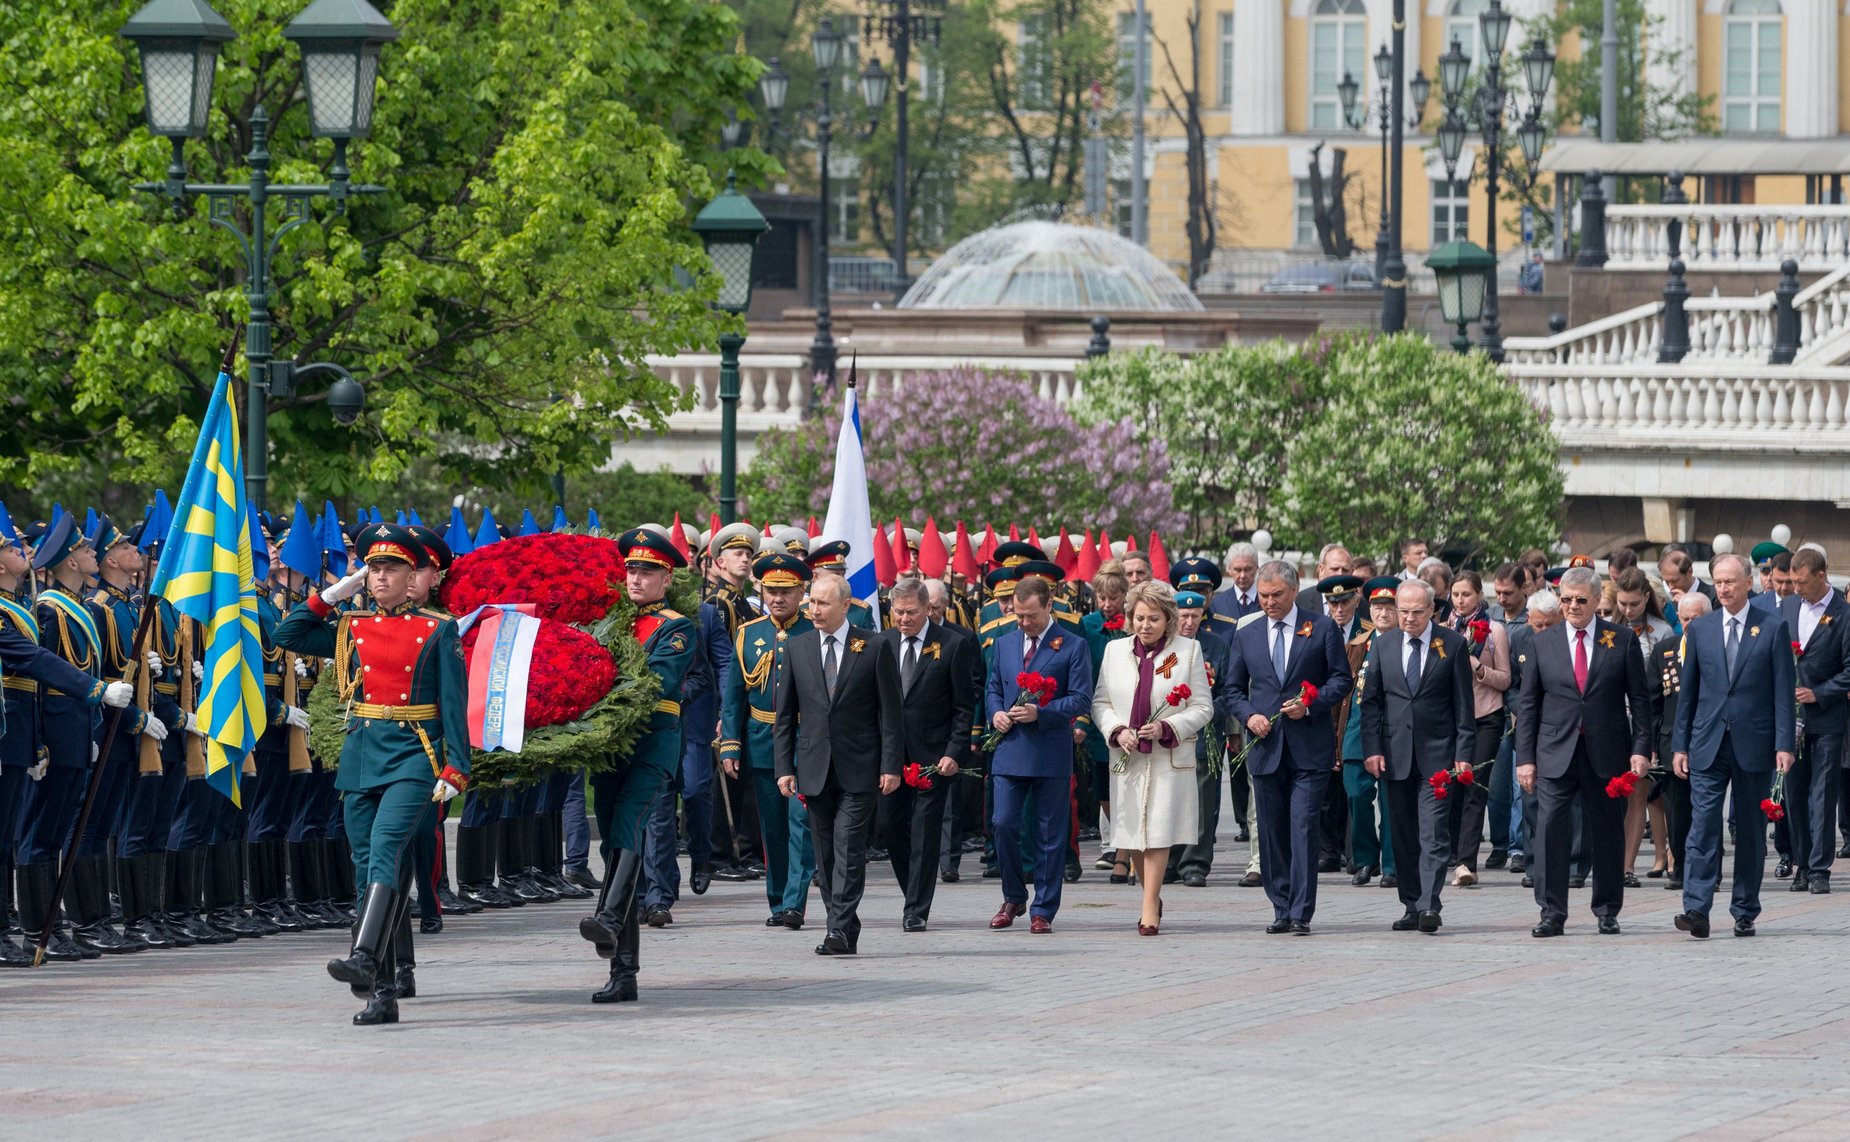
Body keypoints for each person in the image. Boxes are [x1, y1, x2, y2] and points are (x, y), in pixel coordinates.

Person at [275, 523, 470, 1025]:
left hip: (413, 754)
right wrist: (337, 592)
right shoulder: (352, 625)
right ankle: (381, 992)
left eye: (391, 569)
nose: (380, 577)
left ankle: (364, 955)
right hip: (362, 755)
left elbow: (454, 706)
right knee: (366, 867)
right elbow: (286, 634)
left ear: (413, 577)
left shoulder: (438, 627)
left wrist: (456, 767)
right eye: (374, 568)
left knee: (386, 847)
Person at [0, 510, 143, 966]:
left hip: (44, 730)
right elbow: (39, 664)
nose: (22, 551)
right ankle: (28, 927)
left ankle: (45, 927)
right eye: (11, 547)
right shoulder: (36, 610)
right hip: (27, 730)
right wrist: (97, 690)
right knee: (27, 837)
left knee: (40, 833)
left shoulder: (24, 608)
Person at [575, 527, 695, 1002]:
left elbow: (658, 684)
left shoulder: (676, 627)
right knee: (612, 846)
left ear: (666, 579)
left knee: (627, 827)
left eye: (648, 571)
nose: (637, 578)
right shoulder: (610, 623)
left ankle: (607, 916)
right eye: (632, 569)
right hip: (610, 749)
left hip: (651, 745)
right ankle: (623, 972)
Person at [1515, 566, 1651, 938]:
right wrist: (1524, 758)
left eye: (1580, 600)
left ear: (1595, 601)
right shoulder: (1543, 641)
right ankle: (1552, 911)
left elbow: (1640, 701)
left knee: (1607, 833)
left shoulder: (1621, 639)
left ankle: (1607, 909)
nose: (1572, 606)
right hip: (1554, 752)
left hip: (1606, 752)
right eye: (1566, 600)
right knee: (1550, 831)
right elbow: (1528, 706)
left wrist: (1641, 749)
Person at [773, 574, 902, 956]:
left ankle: (837, 929)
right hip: (814, 768)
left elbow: (890, 715)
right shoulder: (798, 648)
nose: (814, 609)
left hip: (860, 768)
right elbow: (785, 716)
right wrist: (785, 767)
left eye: (823, 603)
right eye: (811, 602)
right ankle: (844, 924)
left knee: (848, 848)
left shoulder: (874, 646)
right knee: (825, 854)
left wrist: (891, 765)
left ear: (845, 605)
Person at [1225, 560, 1353, 934]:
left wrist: (1310, 704)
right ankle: (1280, 906)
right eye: (1263, 596)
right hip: (1265, 747)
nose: (1268, 602)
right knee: (1271, 831)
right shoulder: (1246, 634)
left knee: (1302, 827)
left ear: (1295, 590)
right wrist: (1249, 716)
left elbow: (1341, 680)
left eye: (1276, 595)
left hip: (1309, 747)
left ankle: (1301, 911)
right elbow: (1232, 688)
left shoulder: (1322, 627)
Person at [1671, 552, 1795, 938]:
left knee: (1750, 830)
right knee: (1703, 825)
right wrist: (1680, 745)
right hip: (1707, 742)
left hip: (1754, 743)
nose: (1723, 588)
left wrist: (1784, 743)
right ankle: (1697, 908)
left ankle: (1744, 909)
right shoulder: (1701, 629)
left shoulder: (1772, 628)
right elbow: (1687, 694)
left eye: (1730, 582)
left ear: (1748, 584)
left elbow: (1782, 693)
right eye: (1718, 582)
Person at [1092, 582, 1213, 933]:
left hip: (1167, 756)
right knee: (1132, 833)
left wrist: (1167, 726)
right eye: (1139, 618)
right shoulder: (1115, 651)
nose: (1145, 625)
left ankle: (1149, 908)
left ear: (1168, 620)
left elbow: (1203, 707)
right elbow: (1100, 703)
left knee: (1158, 831)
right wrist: (1116, 729)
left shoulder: (1188, 651)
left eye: (1154, 619)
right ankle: (1152, 895)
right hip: (1128, 755)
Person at [1361, 579, 1477, 933]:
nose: (1408, 618)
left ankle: (1429, 904)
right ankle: (1411, 904)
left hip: (1437, 755)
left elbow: (1463, 705)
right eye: (1403, 611)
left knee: (1434, 832)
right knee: (1404, 835)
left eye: (1416, 612)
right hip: (1394, 755)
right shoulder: (1383, 645)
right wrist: (1372, 749)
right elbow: (1372, 703)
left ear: (1432, 611)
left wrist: (1463, 753)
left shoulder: (1452, 645)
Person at [983, 576, 1093, 935]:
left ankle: (1043, 908)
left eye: (1031, 616)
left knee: (1049, 834)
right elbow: (994, 687)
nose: (1024, 623)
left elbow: (1080, 698)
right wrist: (996, 712)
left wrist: (1041, 713)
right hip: (1010, 749)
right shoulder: (1005, 643)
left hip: (1048, 750)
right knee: (1003, 823)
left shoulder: (1072, 646)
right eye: (1018, 615)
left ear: (1049, 606)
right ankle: (1013, 895)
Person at [719, 552, 817, 928]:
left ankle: (795, 902)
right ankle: (778, 902)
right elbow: (733, 696)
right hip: (762, 740)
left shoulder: (812, 631)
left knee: (801, 822)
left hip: (804, 739)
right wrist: (731, 742)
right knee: (772, 828)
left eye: (787, 591)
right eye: (772, 590)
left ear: (801, 591)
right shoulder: (749, 633)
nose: (778, 598)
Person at [879, 578, 978, 932]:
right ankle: (913, 892)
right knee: (890, 827)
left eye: (911, 613)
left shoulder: (952, 644)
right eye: (898, 612)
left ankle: (916, 909)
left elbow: (964, 706)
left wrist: (954, 751)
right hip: (890, 757)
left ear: (927, 609)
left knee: (924, 831)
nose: (904, 619)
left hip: (932, 758)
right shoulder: (882, 644)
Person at [1780, 546, 1850, 893]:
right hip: (1791, 719)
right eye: (1792, 582)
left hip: (1827, 719)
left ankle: (1821, 869)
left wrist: (1820, 692)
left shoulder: (1844, 613)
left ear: (1821, 577)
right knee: (1794, 794)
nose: (1795, 589)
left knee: (1823, 795)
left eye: (1801, 582)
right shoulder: (1789, 606)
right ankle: (1802, 864)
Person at [1168, 590, 1238, 887]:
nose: (1188, 622)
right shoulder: (1165, 646)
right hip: (1169, 732)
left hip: (1204, 731)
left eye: (1194, 616)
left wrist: (1207, 711)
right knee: (1169, 800)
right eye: (1183, 616)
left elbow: (1227, 688)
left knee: (1201, 800)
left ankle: (1195, 863)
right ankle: (1169, 861)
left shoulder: (1216, 645)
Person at [1610, 566, 1675, 882]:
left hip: (1645, 720)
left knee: (1639, 793)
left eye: (1633, 604)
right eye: (1622, 603)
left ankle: (1626, 866)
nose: (1627, 610)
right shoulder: (1609, 630)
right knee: (1614, 793)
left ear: (1646, 598)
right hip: (1613, 719)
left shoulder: (1661, 631)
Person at [1445, 571, 1511, 886]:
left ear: (1478, 596)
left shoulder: (1494, 629)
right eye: (1455, 594)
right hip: (1453, 718)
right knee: (1453, 786)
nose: (1460, 600)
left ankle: (1466, 862)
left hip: (1486, 715)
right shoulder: (1444, 629)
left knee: (1475, 784)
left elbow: (1505, 679)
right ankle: (1451, 851)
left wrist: (1479, 669)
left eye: (1466, 595)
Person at [1339, 578, 1399, 888]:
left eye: (1390, 607)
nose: (1383, 613)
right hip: (1357, 730)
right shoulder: (1357, 643)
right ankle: (1364, 859)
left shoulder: (1405, 642)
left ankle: (1391, 864)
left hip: (1392, 733)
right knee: (1356, 795)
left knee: (1390, 802)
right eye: (1377, 606)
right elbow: (1342, 692)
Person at [1653, 592, 1707, 893]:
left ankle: (1704, 868)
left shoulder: (1718, 649)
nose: (1689, 625)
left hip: (1709, 741)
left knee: (1705, 809)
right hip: (1671, 741)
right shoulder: (1664, 651)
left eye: (1695, 619)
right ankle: (1680, 866)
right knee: (1676, 810)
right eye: (1684, 618)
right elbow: (1652, 702)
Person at [1081, 564, 1131, 879]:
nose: (1106, 604)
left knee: (1127, 783)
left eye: (1113, 597)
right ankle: (1117, 840)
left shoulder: (1135, 625)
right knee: (1103, 788)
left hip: (1130, 713)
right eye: (1101, 597)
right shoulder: (1086, 626)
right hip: (1099, 715)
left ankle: (1125, 853)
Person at [1210, 542, 1262, 623]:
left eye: (1248, 569)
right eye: (1237, 570)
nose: (1242, 575)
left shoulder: (1267, 600)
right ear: (1229, 570)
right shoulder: (1217, 603)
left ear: (1257, 568)